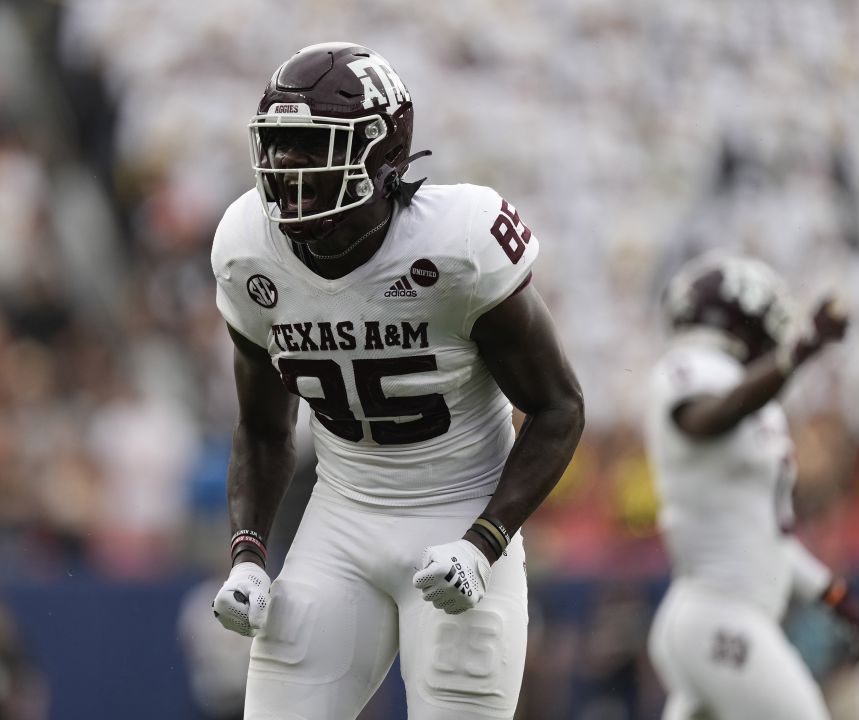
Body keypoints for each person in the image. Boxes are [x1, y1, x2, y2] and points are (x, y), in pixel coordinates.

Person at [207, 42, 585, 719]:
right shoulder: (247, 249)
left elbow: (559, 407)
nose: (287, 167)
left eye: (309, 145)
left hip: (459, 517)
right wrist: (248, 554)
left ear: (382, 153)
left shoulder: (457, 244)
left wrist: (485, 543)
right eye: (279, 145)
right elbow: (264, 429)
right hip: (341, 518)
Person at [643, 254, 859, 720]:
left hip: (723, 616)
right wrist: (800, 351)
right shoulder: (691, 371)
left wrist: (837, 600)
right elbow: (709, 417)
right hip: (720, 613)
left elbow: (770, 539)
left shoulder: (758, 405)